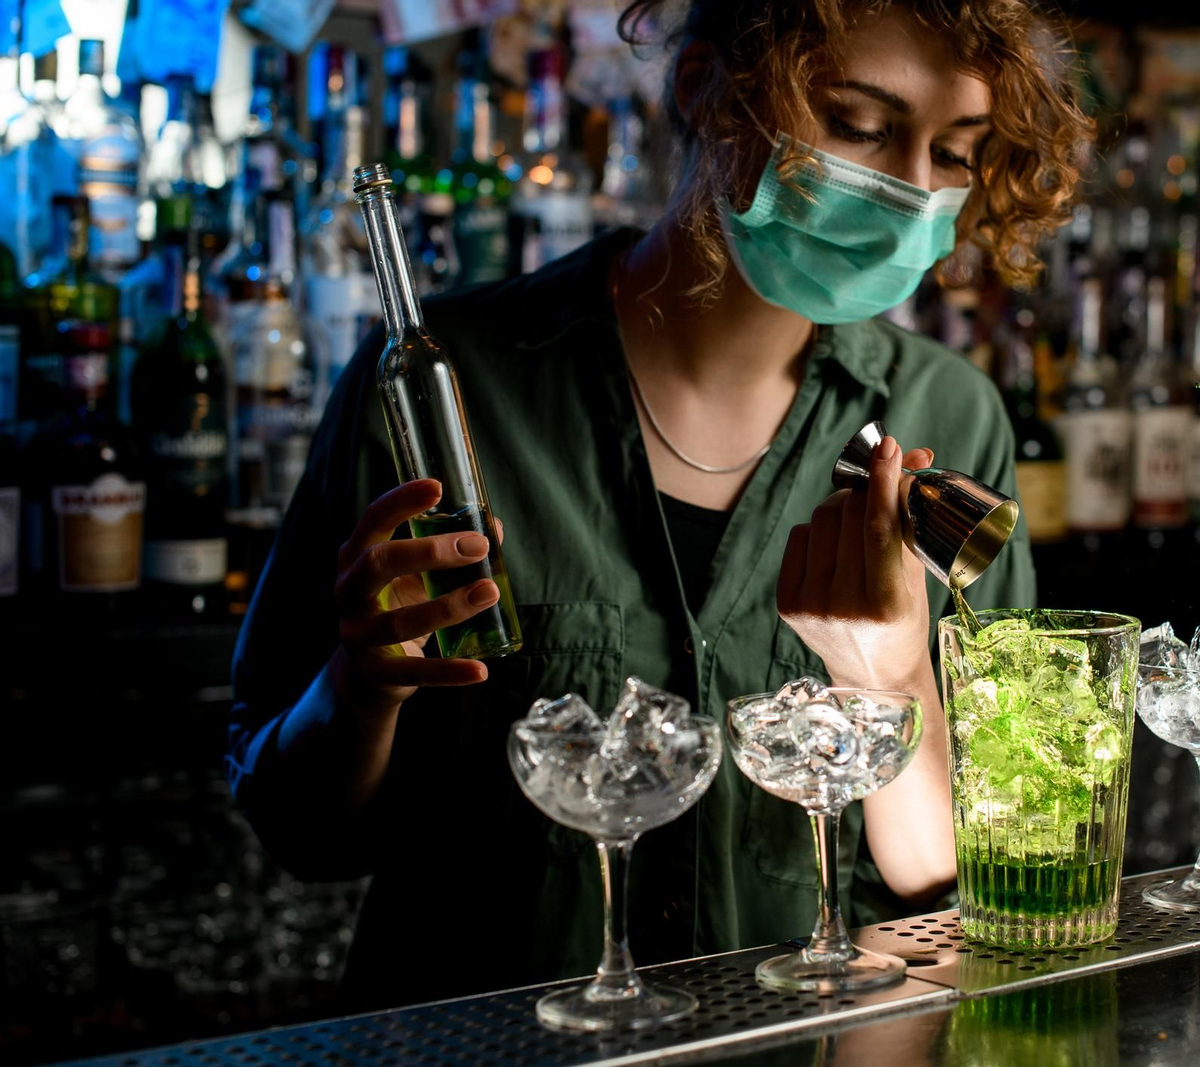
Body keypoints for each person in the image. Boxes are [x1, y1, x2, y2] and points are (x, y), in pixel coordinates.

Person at [227, 0, 1089, 1009]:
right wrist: (361, 684)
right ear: (706, 92)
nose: (907, 188)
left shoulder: (950, 415)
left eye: (952, 151)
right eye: (857, 126)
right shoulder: (445, 388)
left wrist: (894, 678)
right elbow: (304, 833)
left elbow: (973, 886)